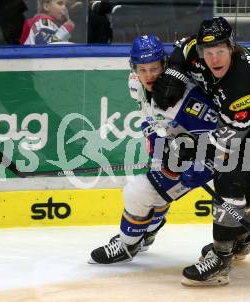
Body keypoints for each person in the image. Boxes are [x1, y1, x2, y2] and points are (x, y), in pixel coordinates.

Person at [152, 17, 250, 286]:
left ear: (232, 47)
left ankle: (221, 257)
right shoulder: (198, 51)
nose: (214, 59)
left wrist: (186, 151)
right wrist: (174, 73)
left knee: (231, 175)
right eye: (209, 52)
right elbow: (183, 47)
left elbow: (225, 147)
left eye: (221, 51)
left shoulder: (243, 86)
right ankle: (241, 239)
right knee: (242, 186)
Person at [88, 34, 219, 264]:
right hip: (177, 147)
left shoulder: (182, 97)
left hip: (205, 154)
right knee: (156, 189)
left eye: (154, 68)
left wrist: (195, 167)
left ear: (165, 65)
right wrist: (158, 143)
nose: (148, 75)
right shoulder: (135, 83)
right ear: (134, 68)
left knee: (137, 192)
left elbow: (216, 135)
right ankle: (146, 234)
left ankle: (128, 246)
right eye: (143, 69)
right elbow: (149, 116)